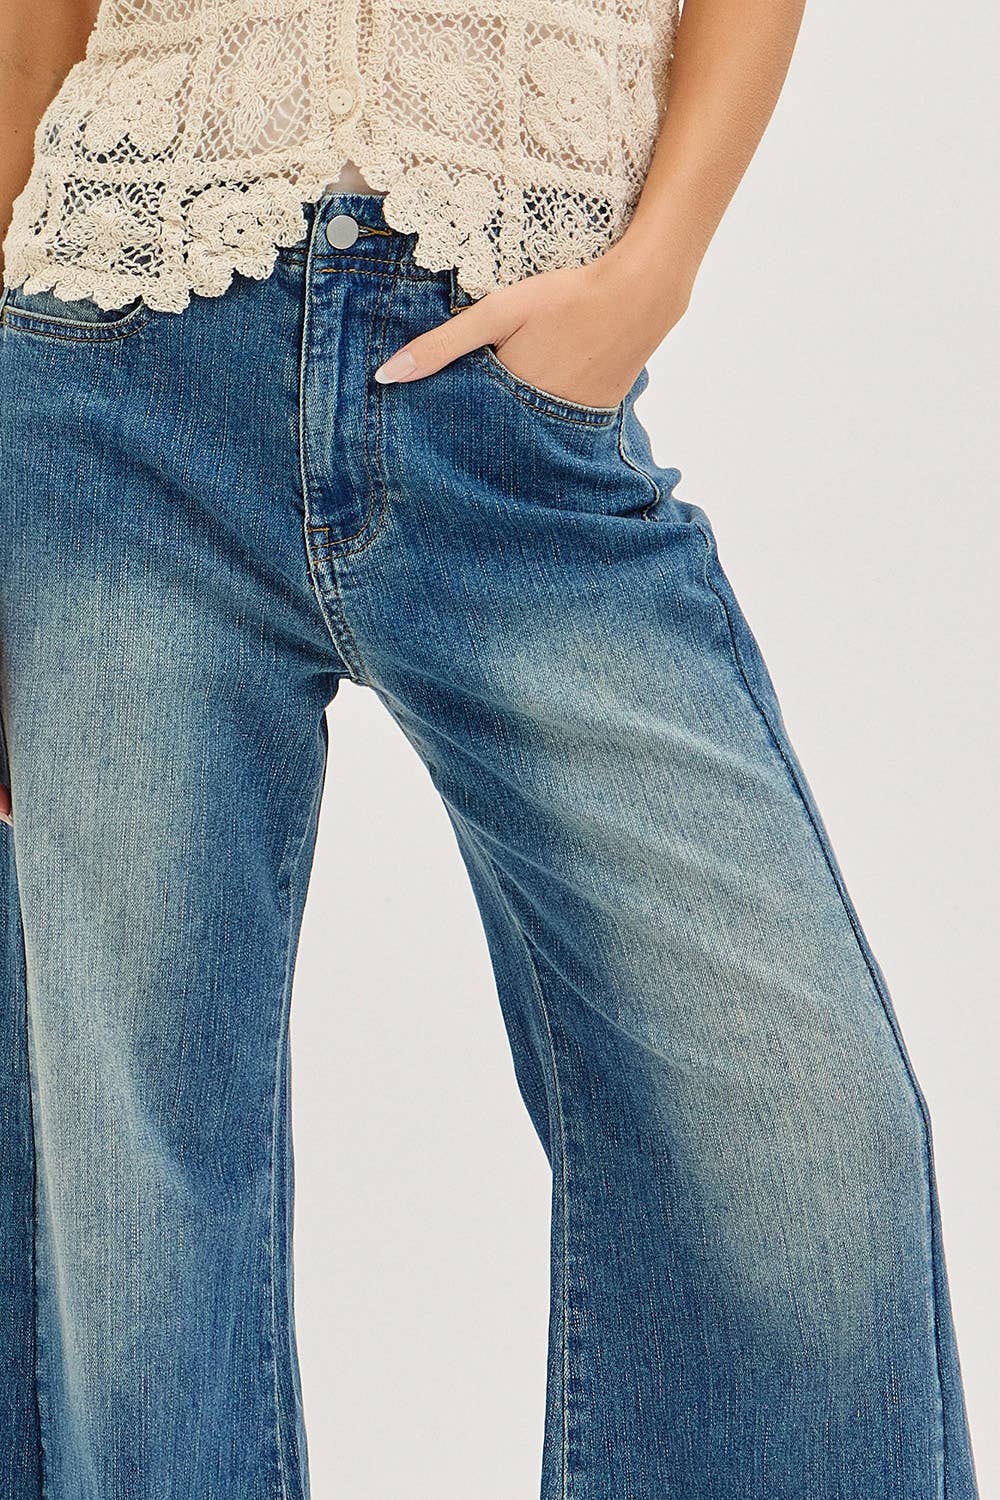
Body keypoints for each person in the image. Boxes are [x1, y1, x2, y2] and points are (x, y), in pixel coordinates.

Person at [0, 0, 982, 1495]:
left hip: (509, 399)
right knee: (129, 1204)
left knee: (803, 1130)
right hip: (115, 370)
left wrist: (655, 273)